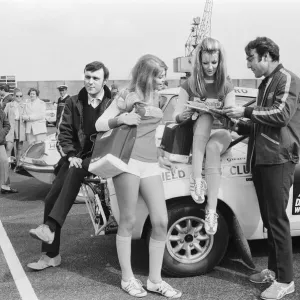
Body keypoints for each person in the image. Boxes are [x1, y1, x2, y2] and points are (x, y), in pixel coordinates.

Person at [95, 54, 182, 298]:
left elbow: (150, 133)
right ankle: (127, 278)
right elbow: (100, 124)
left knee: (161, 221)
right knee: (129, 221)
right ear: (147, 75)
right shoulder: (126, 95)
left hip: (150, 163)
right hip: (127, 162)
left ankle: (155, 280)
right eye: (160, 76)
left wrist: (160, 154)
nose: (164, 80)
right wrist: (120, 118)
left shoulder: (158, 97)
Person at [225, 37, 300, 300]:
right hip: (262, 159)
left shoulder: (288, 79)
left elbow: (280, 115)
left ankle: (286, 280)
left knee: (278, 221)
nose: (248, 65)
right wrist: (236, 123)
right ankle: (272, 270)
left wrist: (245, 112)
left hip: (279, 158)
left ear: (266, 56)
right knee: (269, 221)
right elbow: (260, 122)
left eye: (251, 58)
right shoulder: (266, 83)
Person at [27, 61, 112, 271]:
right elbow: (63, 132)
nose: (90, 82)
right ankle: (50, 256)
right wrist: (72, 154)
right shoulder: (74, 102)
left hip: (101, 157)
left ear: (104, 81)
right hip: (76, 158)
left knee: (74, 169)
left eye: (95, 78)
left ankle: (51, 227)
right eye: (87, 77)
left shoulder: (113, 103)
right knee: (50, 199)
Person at [173, 37, 235, 235]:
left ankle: (211, 208)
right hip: (198, 133)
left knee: (212, 142)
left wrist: (226, 113)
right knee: (204, 119)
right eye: (206, 63)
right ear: (199, 62)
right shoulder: (188, 85)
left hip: (221, 134)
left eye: (214, 62)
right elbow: (177, 116)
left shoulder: (226, 85)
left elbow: (232, 120)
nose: (210, 67)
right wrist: (182, 115)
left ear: (220, 61)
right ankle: (199, 183)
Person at [4, 88, 26, 169]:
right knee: (9, 147)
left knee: (19, 147)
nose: (19, 97)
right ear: (13, 96)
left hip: (20, 127)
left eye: (21, 96)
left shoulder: (24, 105)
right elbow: (4, 117)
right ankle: (7, 165)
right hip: (10, 127)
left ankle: (18, 164)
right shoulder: (8, 105)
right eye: (17, 96)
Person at [0, 107, 18, 194]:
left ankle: (5, 187)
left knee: (4, 162)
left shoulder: (1, 112)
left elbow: (7, 125)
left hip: (0, 142)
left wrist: (1, 135)